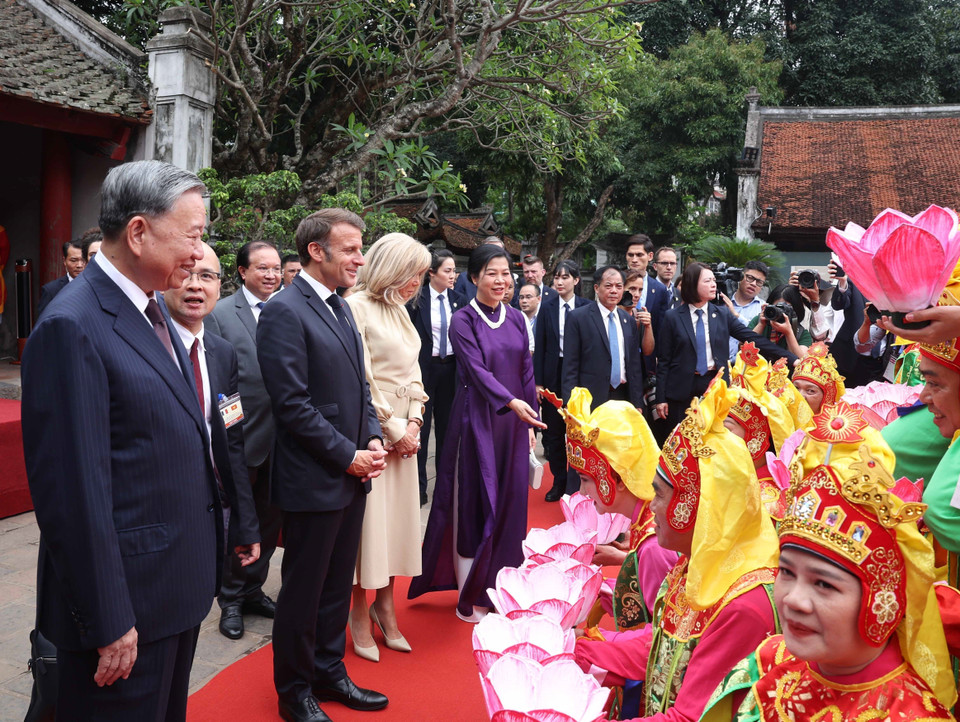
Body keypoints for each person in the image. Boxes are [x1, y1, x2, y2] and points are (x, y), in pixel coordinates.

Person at [21, 161, 243, 720]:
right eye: (192, 235)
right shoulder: (74, 324)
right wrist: (109, 619)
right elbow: (73, 495)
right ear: (139, 232)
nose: (199, 254)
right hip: (126, 611)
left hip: (172, 591)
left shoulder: (151, 307)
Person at [701, 402, 956, 721]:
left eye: (823, 583)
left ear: (881, 601)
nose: (793, 599)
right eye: (786, 571)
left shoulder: (911, 715)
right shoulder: (766, 662)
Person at [575, 378, 781, 721]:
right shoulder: (693, 564)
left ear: (698, 505)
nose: (651, 506)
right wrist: (580, 652)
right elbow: (661, 651)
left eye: (659, 493)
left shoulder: (744, 605)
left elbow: (689, 717)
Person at [258, 208, 389, 722]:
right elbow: (292, 405)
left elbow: (359, 388)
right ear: (317, 250)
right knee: (304, 592)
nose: (361, 258)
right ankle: (294, 690)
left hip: (352, 474)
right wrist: (347, 455)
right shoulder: (284, 311)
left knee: (336, 586)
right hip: (314, 477)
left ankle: (329, 671)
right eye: (351, 248)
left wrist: (372, 437)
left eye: (361, 248)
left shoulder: (341, 307)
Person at [410, 244, 546, 623]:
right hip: (477, 420)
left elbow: (526, 371)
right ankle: (469, 594)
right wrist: (511, 402)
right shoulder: (463, 320)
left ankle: (501, 587)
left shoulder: (516, 318)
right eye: (492, 273)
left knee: (512, 503)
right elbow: (475, 371)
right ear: (474, 278)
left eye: (506, 274)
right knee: (475, 502)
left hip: (514, 423)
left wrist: (530, 418)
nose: (501, 281)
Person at [550, 387, 678, 719]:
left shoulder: (654, 546)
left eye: (586, 479)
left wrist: (591, 641)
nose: (582, 491)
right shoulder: (647, 524)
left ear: (617, 479)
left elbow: (661, 639)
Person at [344, 234, 431, 662]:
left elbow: (414, 372)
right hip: (374, 436)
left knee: (399, 527)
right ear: (391, 268)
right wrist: (395, 428)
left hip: (406, 437)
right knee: (370, 531)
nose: (417, 283)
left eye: (421, 275)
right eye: (412, 273)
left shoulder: (400, 309)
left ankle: (386, 605)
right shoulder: (355, 306)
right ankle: (359, 611)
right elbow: (361, 378)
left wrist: (414, 420)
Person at [163, 241, 261, 566]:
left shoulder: (222, 353)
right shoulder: (145, 347)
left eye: (206, 276)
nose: (195, 285)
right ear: (163, 281)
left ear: (219, 287)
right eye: (185, 273)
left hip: (215, 505)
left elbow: (232, 439)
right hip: (162, 515)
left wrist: (246, 521)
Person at [205, 240, 284, 640]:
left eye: (276, 268)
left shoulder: (287, 310)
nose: (271, 275)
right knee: (240, 520)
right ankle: (231, 598)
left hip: (284, 438)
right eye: (262, 268)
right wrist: (230, 430)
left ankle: (254, 588)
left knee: (270, 520)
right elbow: (218, 379)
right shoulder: (220, 314)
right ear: (242, 272)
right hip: (242, 434)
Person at [655, 263, 796, 430]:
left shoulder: (722, 314)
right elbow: (664, 361)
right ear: (692, 284)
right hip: (681, 388)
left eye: (714, 280)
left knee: (714, 436)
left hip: (714, 384)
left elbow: (751, 338)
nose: (713, 285)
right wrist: (660, 398)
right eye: (707, 281)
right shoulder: (673, 317)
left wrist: (791, 358)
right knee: (681, 437)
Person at [410, 249, 465, 507]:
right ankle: (418, 487)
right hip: (424, 370)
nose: (453, 275)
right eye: (447, 270)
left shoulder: (460, 300)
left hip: (451, 369)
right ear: (431, 272)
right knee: (419, 429)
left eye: (454, 271)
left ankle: (445, 487)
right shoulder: (416, 300)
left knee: (447, 430)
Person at [534, 260, 591, 501]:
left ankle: (579, 481)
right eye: (557, 277)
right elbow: (540, 345)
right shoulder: (546, 308)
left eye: (565, 277)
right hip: (553, 372)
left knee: (580, 431)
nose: (559, 281)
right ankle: (559, 481)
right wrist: (538, 382)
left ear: (576, 280)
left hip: (579, 373)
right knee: (554, 432)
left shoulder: (587, 307)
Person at [562, 265, 646, 409]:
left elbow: (634, 365)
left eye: (618, 286)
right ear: (596, 288)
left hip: (623, 396)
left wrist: (637, 402)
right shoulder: (578, 318)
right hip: (590, 397)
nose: (614, 290)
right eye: (608, 286)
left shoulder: (628, 320)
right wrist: (570, 402)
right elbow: (570, 365)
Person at [719, 260, 768, 362]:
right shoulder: (721, 302)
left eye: (759, 282)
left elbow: (757, 337)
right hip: (718, 364)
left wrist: (735, 315)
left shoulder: (763, 309)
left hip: (746, 366)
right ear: (741, 277)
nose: (753, 284)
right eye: (750, 278)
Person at [747, 283, 812, 358]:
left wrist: (788, 333)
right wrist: (761, 325)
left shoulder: (802, 333)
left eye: (786, 308)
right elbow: (744, 348)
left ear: (796, 311)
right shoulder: (759, 321)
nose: (781, 312)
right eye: (777, 307)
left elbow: (802, 360)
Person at [625, 235, 670, 340]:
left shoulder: (660, 290)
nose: (634, 260)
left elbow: (661, 329)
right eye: (630, 255)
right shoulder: (617, 284)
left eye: (639, 255)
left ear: (650, 256)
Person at [790, 341, 845, 416]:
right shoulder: (780, 419)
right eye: (796, 388)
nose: (800, 396)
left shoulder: (836, 423)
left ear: (827, 398)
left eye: (810, 391)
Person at [38, 238, 85, 316]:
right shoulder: (51, 291)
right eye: (74, 260)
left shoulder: (97, 286)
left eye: (84, 260)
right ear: (64, 261)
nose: (79, 265)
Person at [453, 236, 504, 300]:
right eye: (490, 251)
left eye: (498, 252)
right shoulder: (464, 278)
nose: (495, 256)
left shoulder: (508, 279)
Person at [518, 282, 540, 353]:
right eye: (521, 297)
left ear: (539, 299)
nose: (524, 301)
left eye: (528, 297)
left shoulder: (545, 318)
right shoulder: (514, 318)